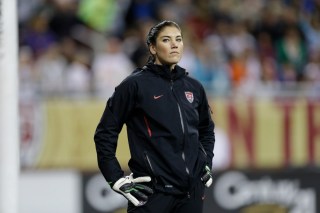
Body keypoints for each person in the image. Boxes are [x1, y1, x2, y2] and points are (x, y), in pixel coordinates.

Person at [94, 20, 215, 213]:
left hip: (192, 193)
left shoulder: (194, 87)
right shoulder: (133, 86)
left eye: (179, 39)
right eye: (166, 40)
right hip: (152, 194)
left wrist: (206, 162)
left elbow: (206, 131)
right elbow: (105, 133)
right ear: (152, 47)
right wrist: (114, 177)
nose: (175, 44)